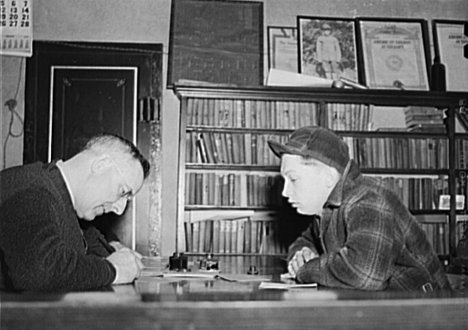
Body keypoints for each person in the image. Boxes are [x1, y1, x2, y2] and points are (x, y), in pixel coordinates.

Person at [268, 126, 450, 291]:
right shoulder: (326, 207)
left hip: (428, 311)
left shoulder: (366, 200)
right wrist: (301, 254)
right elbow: (305, 240)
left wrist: (305, 269)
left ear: (328, 178)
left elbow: (365, 274)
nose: (284, 192)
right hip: (389, 305)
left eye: (293, 179)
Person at [0, 133, 150, 292]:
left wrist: (120, 259)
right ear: (101, 165)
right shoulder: (33, 190)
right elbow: (39, 272)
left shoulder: (66, 203)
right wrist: (114, 270)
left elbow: (95, 252)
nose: (120, 210)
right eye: (123, 192)